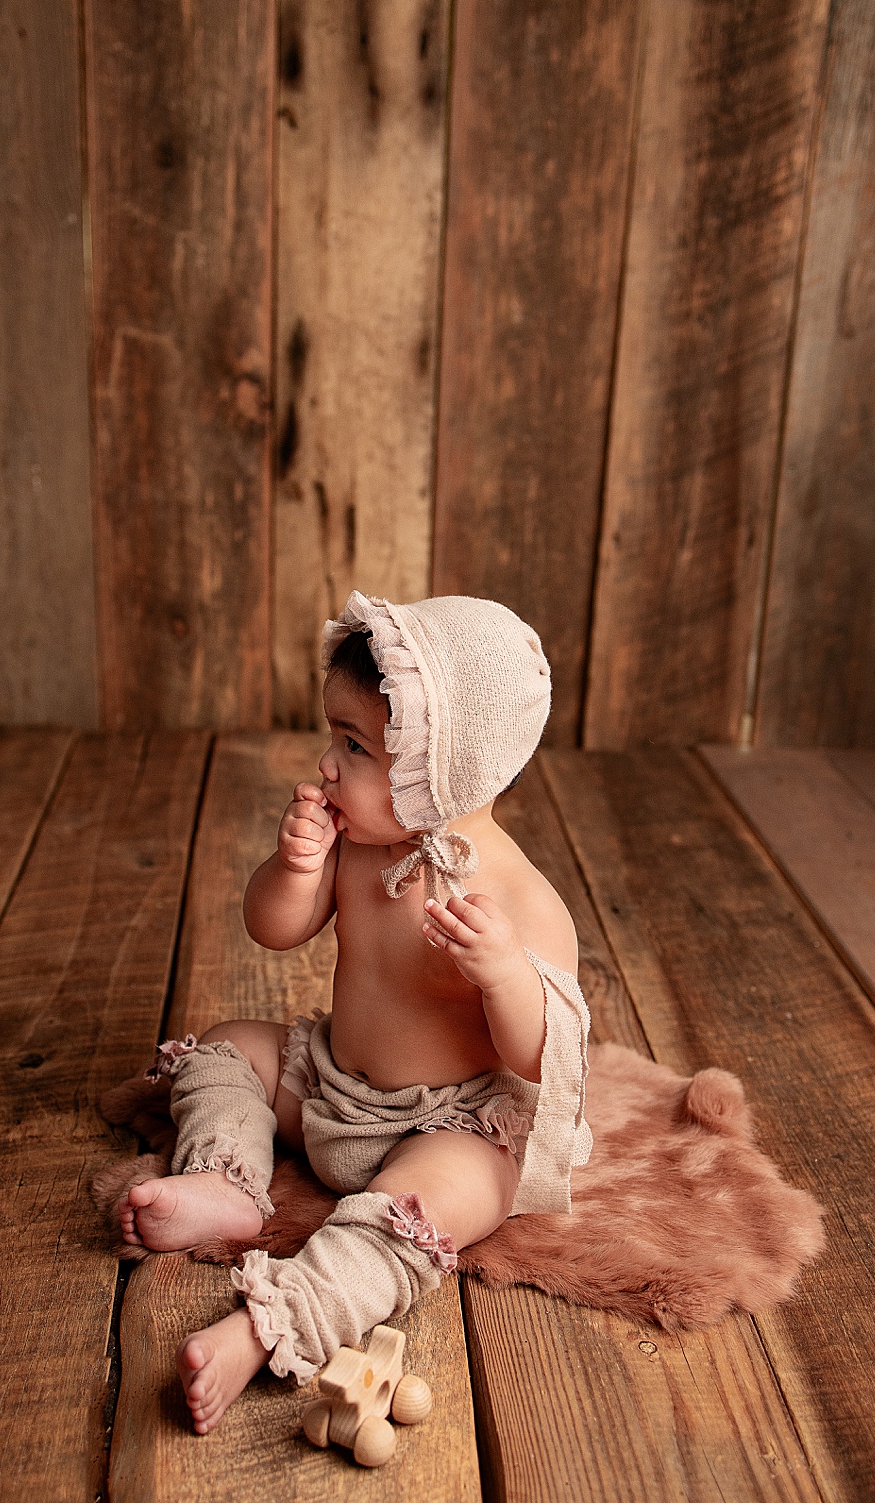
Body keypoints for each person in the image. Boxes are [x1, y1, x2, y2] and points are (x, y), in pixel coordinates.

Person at [117, 591, 592, 1434]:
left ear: (441, 767)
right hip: (329, 1084)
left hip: (449, 1123)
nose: (327, 766)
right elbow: (274, 930)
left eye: (355, 747)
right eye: (332, 737)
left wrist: (505, 976)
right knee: (226, 1049)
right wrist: (297, 869)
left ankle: (269, 1328)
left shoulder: (518, 898)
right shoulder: (360, 845)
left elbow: (541, 1059)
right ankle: (226, 1182)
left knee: (420, 1216)